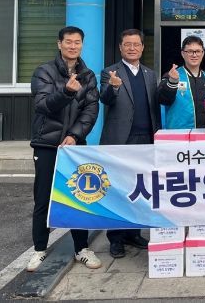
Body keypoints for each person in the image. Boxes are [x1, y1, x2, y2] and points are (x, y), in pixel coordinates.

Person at [27, 26, 102, 272]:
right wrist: (66, 92)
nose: (73, 46)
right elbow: (43, 105)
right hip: (47, 144)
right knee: (44, 197)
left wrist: (75, 135)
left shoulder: (88, 76)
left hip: (74, 146)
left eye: (77, 42)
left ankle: (82, 248)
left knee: (79, 196)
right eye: (68, 42)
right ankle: (39, 249)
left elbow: (91, 110)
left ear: (82, 45)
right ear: (59, 44)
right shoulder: (44, 71)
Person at [99, 29, 161, 259]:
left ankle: (134, 233)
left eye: (136, 44)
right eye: (128, 44)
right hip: (120, 141)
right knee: (119, 189)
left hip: (146, 140)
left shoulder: (150, 74)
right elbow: (105, 98)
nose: (132, 48)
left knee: (140, 190)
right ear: (120, 47)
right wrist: (114, 86)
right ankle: (116, 238)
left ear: (143, 48)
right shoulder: (110, 71)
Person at [157, 35, 205, 129]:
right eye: (190, 51)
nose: (194, 55)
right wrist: (172, 82)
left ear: (202, 53)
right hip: (180, 134)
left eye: (198, 51)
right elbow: (162, 100)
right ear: (183, 54)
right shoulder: (172, 75)